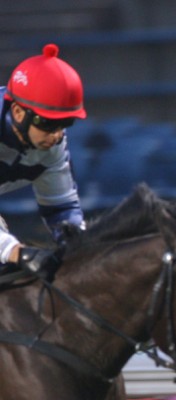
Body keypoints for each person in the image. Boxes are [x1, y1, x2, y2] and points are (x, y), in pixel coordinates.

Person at [0, 44, 88, 279]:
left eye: (65, 124)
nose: (57, 135)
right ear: (18, 113)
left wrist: (80, 250)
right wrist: (16, 251)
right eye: (48, 123)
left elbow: (60, 207)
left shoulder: (52, 144)